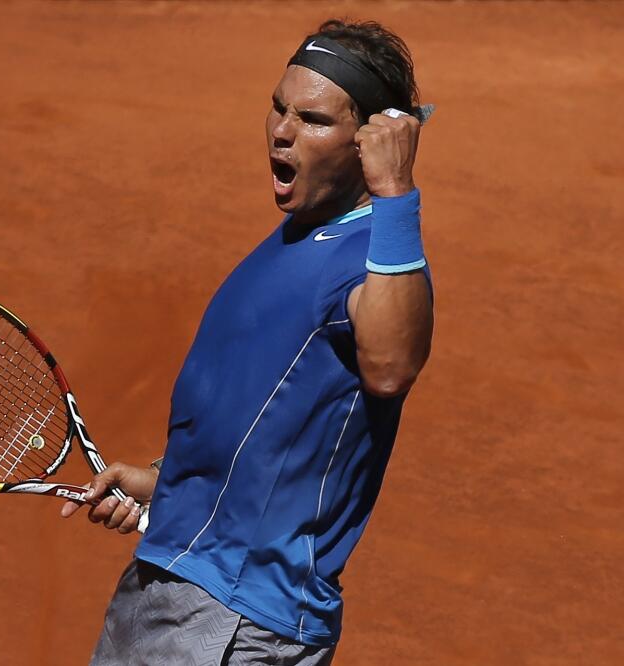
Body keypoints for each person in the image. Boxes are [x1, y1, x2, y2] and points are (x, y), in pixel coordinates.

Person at [61, 18, 434, 666]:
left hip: (234, 616)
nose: (283, 131)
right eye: (277, 108)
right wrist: (167, 481)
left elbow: (392, 368)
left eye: (313, 119)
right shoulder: (301, 232)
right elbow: (262, 412)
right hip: (181, 579)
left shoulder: (369, 258)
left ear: (369, 146)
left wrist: (396, 193)